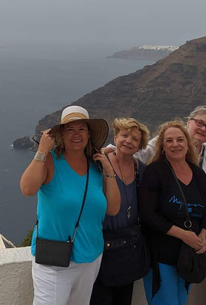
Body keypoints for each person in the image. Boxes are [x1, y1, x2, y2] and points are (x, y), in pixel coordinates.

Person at [20, 105, 121, 305]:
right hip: (54, 259)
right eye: (70, 129)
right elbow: (27, 189)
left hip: (90, 256)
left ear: (89, 134)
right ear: (61, 134)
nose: (76, 134)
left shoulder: (96, 165)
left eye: (81, 129)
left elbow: (113, 208)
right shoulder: (50, 160)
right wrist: (41, 150)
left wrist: (109, 170)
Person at [139, 120, 206, 305]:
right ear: (162, 146)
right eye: (169, 140)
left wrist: (202, 236)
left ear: (188, 145)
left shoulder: (198, 173)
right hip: (162, 254)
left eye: (180, 140)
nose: (175, 144)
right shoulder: (155, 171)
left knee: (180, 301)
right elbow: (148, 215)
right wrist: (183, 235)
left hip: (189, 256)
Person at [91, 118, 150, 305]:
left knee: (124, 298)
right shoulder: (99, 163)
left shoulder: (141, 169)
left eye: (134, 139)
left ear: (140, 146)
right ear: (115, 137)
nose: (128, 141)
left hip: (128, 245)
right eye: (124, 135)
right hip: (102, 244)